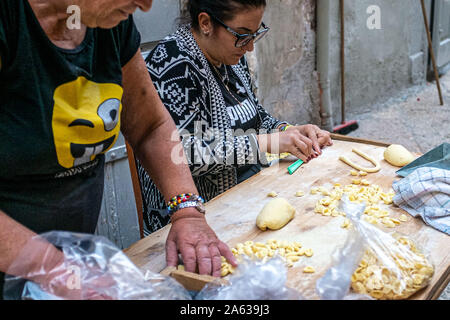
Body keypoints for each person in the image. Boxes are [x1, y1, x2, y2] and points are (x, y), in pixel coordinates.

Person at [0, 0, 237, 299]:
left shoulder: (108, 24)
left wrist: (187, 211)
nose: (146, 5)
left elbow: (149, 125)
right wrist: (52, 268)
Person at [137, 0, 333, 235]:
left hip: (248, 196)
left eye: (254, 34)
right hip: (196, 218)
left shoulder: (231, 57)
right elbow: (180, 154)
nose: (249, 48)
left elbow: (256, 118)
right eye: (242, 35)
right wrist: (269, 142)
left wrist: (289, 131)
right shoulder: (173, 63)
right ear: (206, 23)